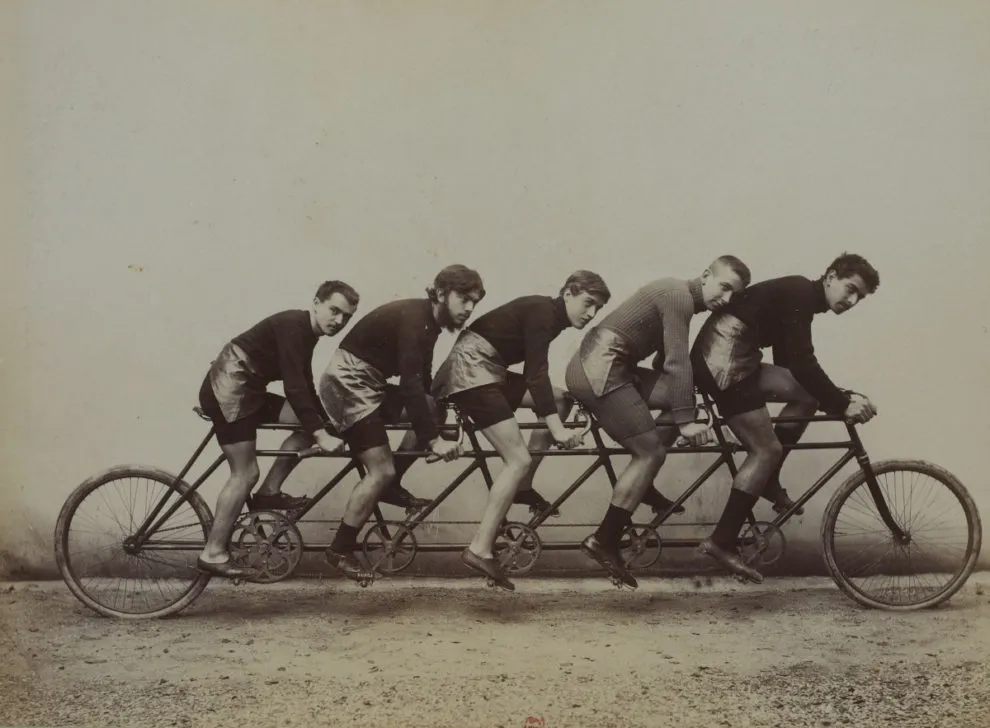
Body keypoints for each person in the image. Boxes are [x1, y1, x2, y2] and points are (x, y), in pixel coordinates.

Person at [691, 253, 880, 583]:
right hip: (723, 360)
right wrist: (841, 402)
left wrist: (841, 397)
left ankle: (767, 478)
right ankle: (721, 541)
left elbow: (793, 370)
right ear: (831, 276)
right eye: (850, 289)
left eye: (859, 298)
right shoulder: (800, 293)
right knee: (765, 450)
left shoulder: (800, 299)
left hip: (736, 356)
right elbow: (804, 364)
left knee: (806, 397)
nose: (851, 301)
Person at [565, 256, 751, 588]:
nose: (724, 300)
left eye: (731, 296)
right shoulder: (678, 296)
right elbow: (677, 362)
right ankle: (603, 540)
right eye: (723, 287)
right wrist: (686, 423)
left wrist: (687, 404)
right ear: (706, 275)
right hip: (598, 368)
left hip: (614, 365)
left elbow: (665, 359)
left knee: (683, 398)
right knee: (650, 452)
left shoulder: (681, 300)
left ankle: (643, 483)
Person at [431, 271, 612, 590]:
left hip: (488, 371)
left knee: (560, 400)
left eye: (597, 308)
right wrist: (556, 430)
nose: (591, 313)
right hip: (471, 373)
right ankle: (480, 548)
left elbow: (539, 382)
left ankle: (523, 487)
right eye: (587, 303)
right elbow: (535, 374)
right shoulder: (544, 313)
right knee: (517, 459)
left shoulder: (549, 316)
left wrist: (554, 418)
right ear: (568, 292)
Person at [319, 264, 485, 581]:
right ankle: (340, 548)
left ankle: (390, 487)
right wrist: (434, 440)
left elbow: (421, 380)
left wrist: (435, 412)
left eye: (474, 302)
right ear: (440, 293)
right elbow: (410, 382)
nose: (468, 308)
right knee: (380, 469)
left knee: (432, 408)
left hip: (367, 384)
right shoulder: (415, 319)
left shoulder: (429, 323)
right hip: (348, 386)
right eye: (463, 298)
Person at [196, 281, 360, 578]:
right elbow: (294, 387)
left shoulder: (305, 333)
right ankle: (213, 552)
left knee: (307, 424)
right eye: (334, 311)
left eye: (346, 317)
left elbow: (304, 383)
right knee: (245, 473)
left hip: (248, 390)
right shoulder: (293, 325)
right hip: (229, 390)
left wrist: (325, 424)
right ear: (316, 302)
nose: (339, 321)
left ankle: (269, 493)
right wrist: (322, 434)